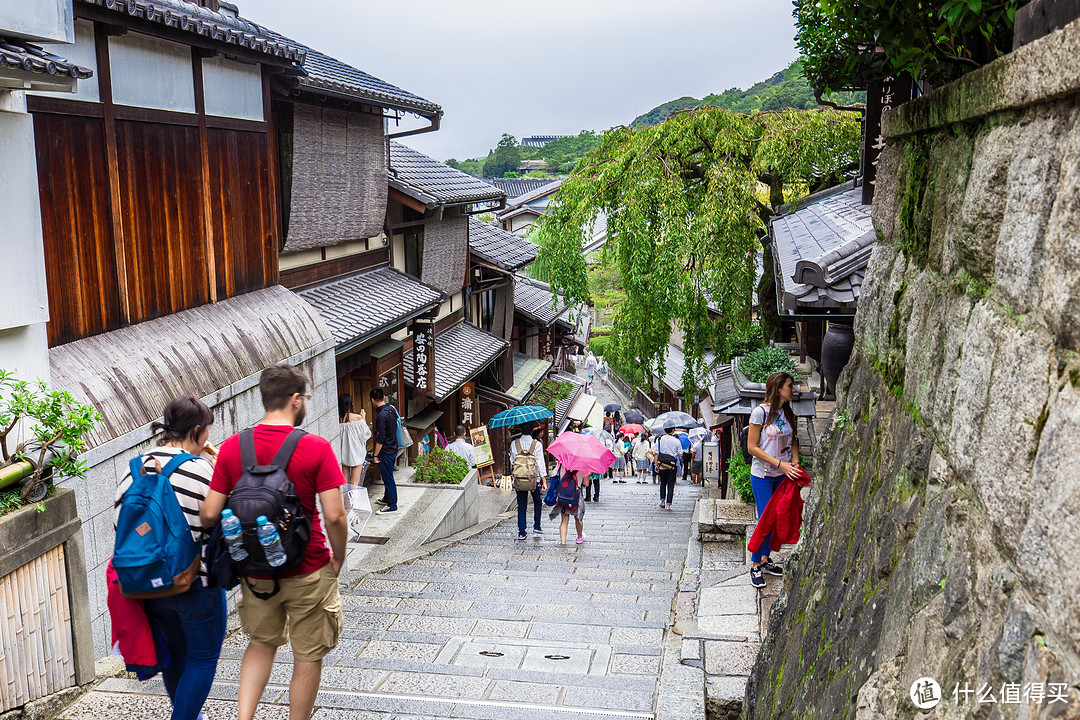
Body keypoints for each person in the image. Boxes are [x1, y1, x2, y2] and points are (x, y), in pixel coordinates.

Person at [200, 364, 348, 720]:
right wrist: (338, 558)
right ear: (296, 400)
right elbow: (335, 516)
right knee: (308, 654)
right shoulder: (315, 447)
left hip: (255, 570)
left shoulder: (235, 446)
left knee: (261, 643)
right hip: (309, 566)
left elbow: (209, 514)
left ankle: (244, 718)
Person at [114, 396, 223, 720]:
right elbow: (218, 517)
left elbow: (120, 525)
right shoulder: (201, 468)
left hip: (148, 583)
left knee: (176, 656)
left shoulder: (131, 469)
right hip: (195, 583)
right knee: (203, 658)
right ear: (199, 431)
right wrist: (215, 467)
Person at [746, 371, 801, 589]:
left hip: (784, 474)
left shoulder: (788, 412)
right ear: (778, 388)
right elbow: (752, 447)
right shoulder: (760, 413)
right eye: (789, 386)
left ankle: (766, 560)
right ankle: (755, 565)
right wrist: (780, 464)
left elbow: (793, 439)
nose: (793, 389)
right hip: (763, 475)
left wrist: (795, 461)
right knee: (765, 519)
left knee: (777, 519)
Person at [337, 394, 370, 530]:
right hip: (357, 454)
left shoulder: (337, 420)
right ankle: (355, 512)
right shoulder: (357, 418)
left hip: (344, 455)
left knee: (345, 483)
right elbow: (366, 435)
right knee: (354, 484)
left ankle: (347, 510)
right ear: (350, 404)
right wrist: (364, 418)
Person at [509, 423, 548, 539]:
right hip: (534, 479)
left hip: (520, 478)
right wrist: (544, 479)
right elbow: (540, 462)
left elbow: (512, 461)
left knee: (521, 505)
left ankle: (522, 531)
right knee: (537, 501)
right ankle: (536, 526)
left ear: (521, 430)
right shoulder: (537, 444)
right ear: (532, 430)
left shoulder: (514, 443)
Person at [369, 387, 400, 514]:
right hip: (393, 447)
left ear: (372, 400)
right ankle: (387, 498)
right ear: (383, 397)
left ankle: (392, 505)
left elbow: (380, 438)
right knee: (388, 476)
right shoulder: (391, 409)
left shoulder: (382, 415)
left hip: (386, 451)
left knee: (388, 478)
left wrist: (375, 455)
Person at [550, 463, 586, 545]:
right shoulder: (583, 465)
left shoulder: (561, 464)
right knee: (578, 518)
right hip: (576, 496)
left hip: (564, 495)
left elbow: (555, 474)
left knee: (564, 519)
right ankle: (579, 537)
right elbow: (586, 483)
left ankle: (563, 542)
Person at [656, 426, 683, 510]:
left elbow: (656, 453)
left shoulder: (659, 440)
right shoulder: (676, 441)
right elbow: (681, 453)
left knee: (663, 483)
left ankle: (662, 501)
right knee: (671, 485)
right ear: (673, 430)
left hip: (662, 465)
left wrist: (656, 465)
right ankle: (668, 504)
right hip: (672, 466)